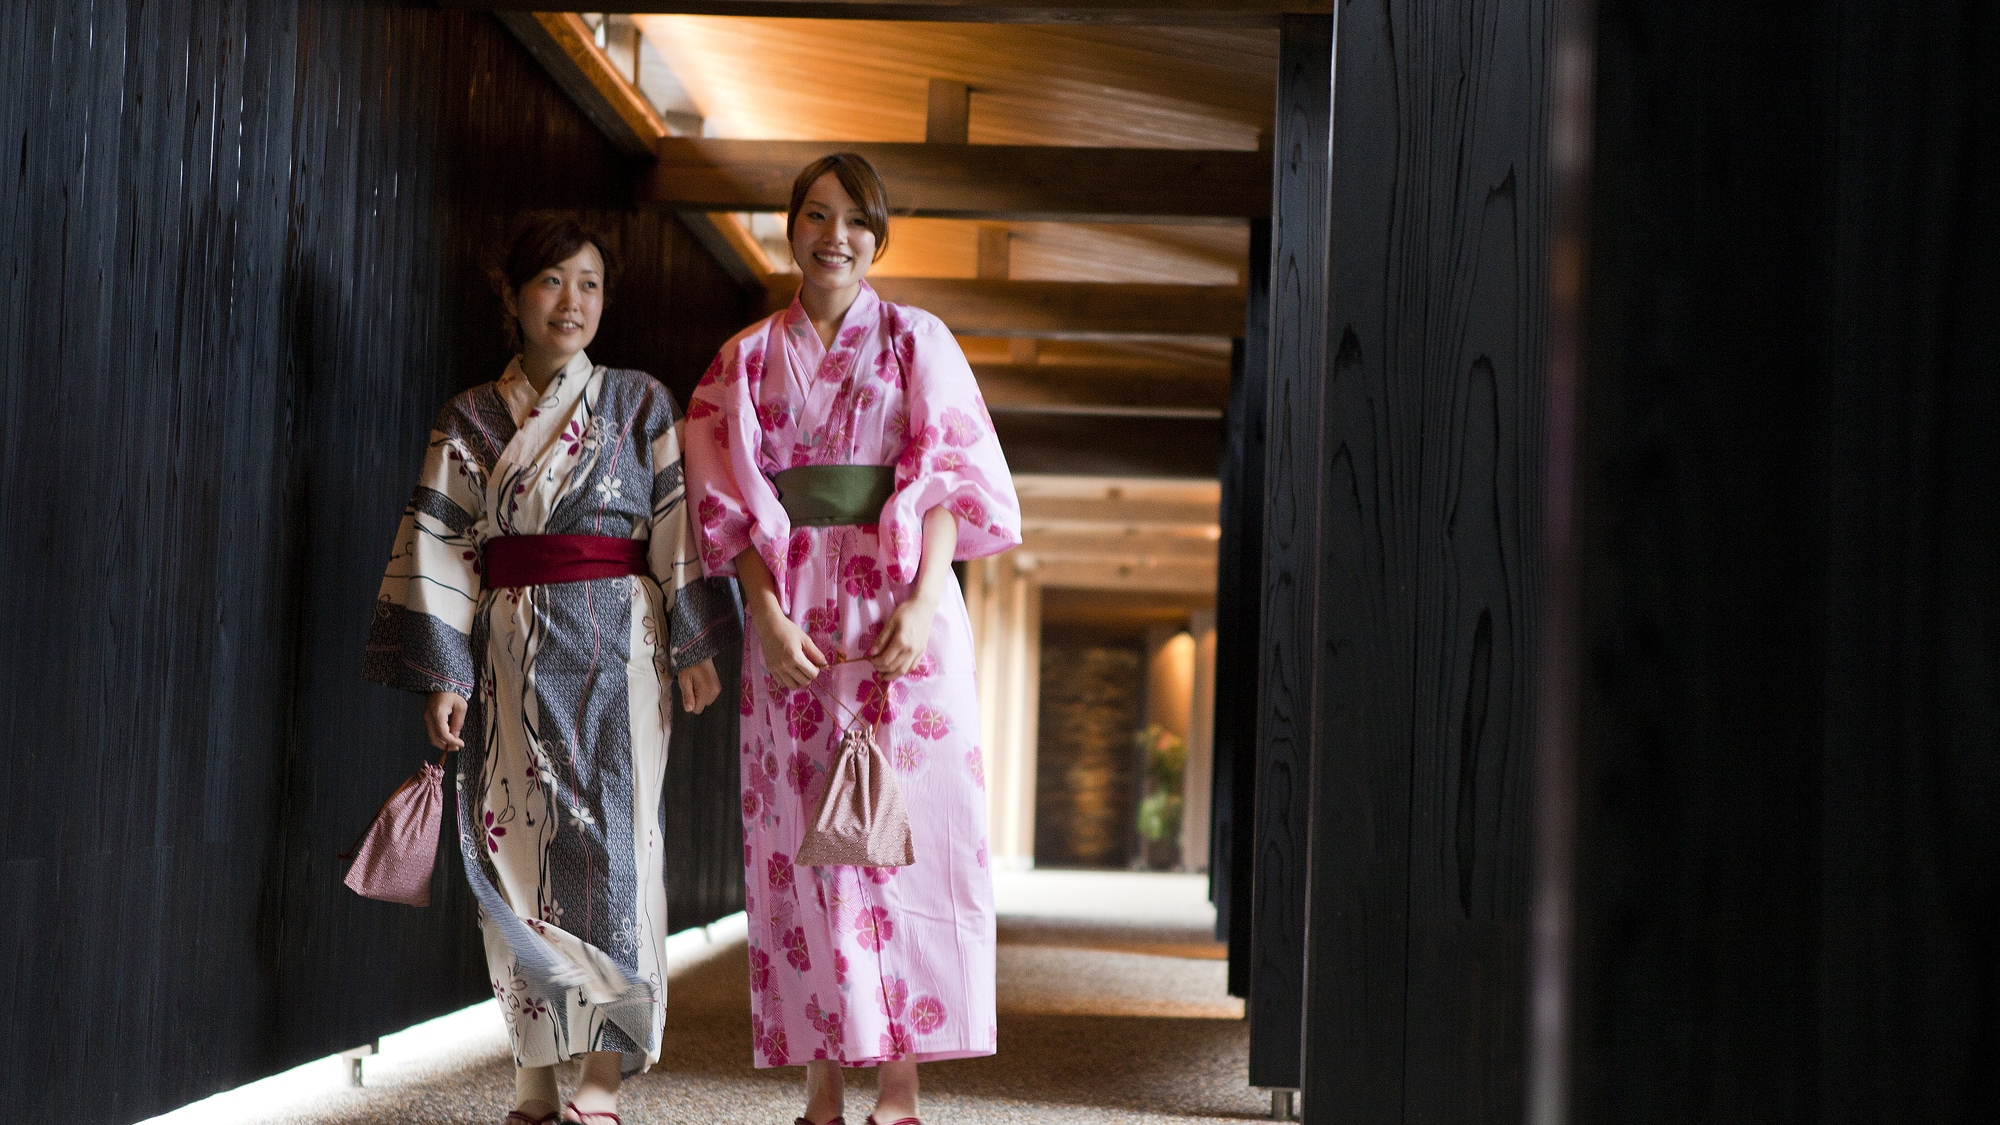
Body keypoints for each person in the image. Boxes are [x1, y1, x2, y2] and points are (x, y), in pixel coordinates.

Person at [363, 216, 736, 1125]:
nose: (573, 302)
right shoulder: (470, 418)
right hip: (508, 649)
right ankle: (534, 1076)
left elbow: (677, 524)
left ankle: (600, 1076)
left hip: (621, 647)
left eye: (590, 284)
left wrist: (692, 642)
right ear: (515, 295)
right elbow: (442, 547)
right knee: (514, 852)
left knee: (617, 848)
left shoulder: (640, 403)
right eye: (553, 282)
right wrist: (445, 673)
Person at [683, 153, 1021, 1125]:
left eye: (856, 220)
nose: (836, 236)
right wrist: (764, 614)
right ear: (791, 226)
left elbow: (949, 476)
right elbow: (724, 507)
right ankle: (821, 1081)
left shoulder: (918, 340)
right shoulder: (745, 359)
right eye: (817, 215)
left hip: (899, 603)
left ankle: (900, 1084)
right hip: (792, 610)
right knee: (802, 839)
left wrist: (924, 598)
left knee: (906, 832)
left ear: (878, 237)